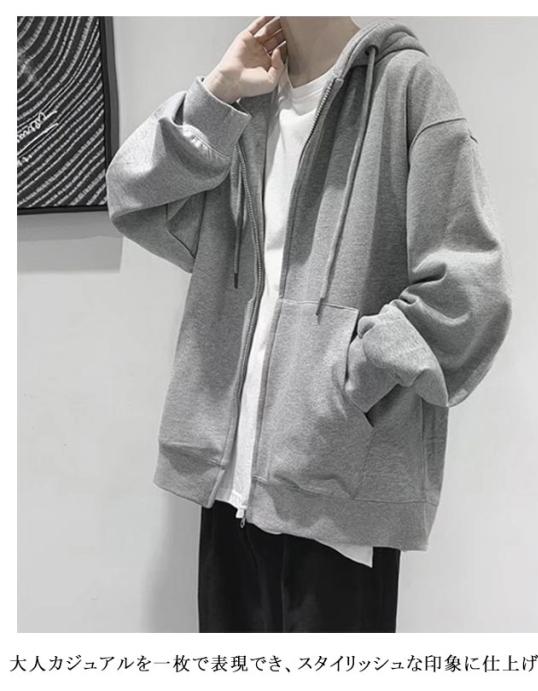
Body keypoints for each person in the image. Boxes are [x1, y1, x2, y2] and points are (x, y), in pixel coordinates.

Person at [106, 16, 512, 633]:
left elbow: (468, 292)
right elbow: (133, 195)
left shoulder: (407, 87)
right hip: (226, 488)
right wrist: (217, 93)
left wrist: (347, 382)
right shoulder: (243, 107)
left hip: (336, 500)